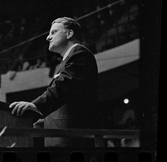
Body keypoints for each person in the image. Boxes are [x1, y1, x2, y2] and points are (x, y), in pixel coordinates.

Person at [9, 17, 101, 147]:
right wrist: (37, 125)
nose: (48, 37)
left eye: (53, 32)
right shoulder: (68, 59)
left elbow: (63, 87)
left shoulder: (80, 54)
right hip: (63, 139)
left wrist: (36, 105)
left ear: (69, 34)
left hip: (72, 141)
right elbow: (63, 104)